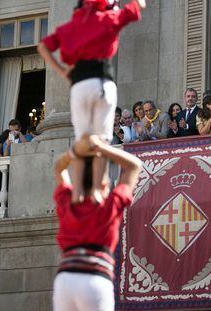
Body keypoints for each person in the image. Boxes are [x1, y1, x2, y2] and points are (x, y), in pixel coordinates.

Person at [38, 0, 146, 204]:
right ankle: (97, 188)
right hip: (103, 82)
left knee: (82, 142)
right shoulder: (108, 17)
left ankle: (78, 190)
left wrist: (62, 71)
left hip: (79, 85)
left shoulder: (70, 26)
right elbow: (137, 6)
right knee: (101, 141)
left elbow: (43, 46)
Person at [53, 134, 141, 311]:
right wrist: (100, 147)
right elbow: (134, 166)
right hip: (95, 279)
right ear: (103, 183)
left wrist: (75, 151)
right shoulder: (110, 204)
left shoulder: (67, 201)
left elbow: (58, 168)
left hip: (65, 280)